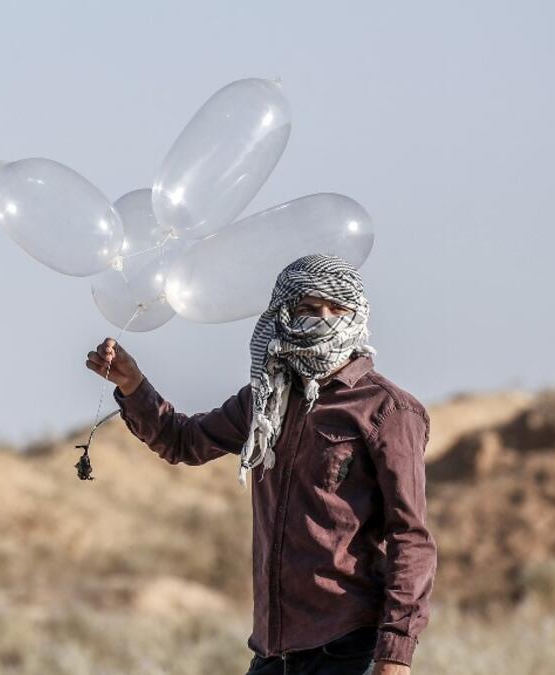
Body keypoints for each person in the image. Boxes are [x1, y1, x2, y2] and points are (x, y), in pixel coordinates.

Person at [85, 254, 436, 675]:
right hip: (273, 652)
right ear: (284, 314)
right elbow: (185, 441)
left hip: (349, 648)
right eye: (306, 308)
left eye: (335, 308)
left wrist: (395, 655)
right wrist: (132, 383)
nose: (321, 318)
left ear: (356, 314)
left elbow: (410, 537)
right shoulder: (267, 400)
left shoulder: (387, 410)